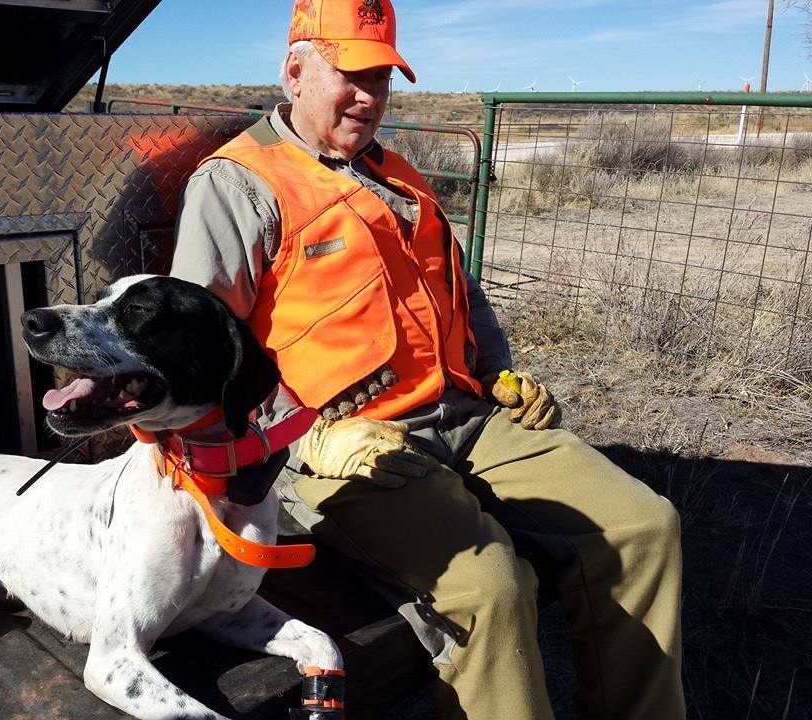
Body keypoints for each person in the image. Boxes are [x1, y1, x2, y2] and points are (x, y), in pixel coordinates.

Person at [171, 1, 685, 718]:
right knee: (492, 589)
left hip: (463, 414)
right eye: (351, 75)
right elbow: (196, 351)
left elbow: (461, 293)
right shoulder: (238, 184)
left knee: (643, 525)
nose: (369, 97)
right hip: (339, 450)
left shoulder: (398, 174)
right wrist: (304, 433)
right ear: (294, 71)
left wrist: (498, 371)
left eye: (381, 78)